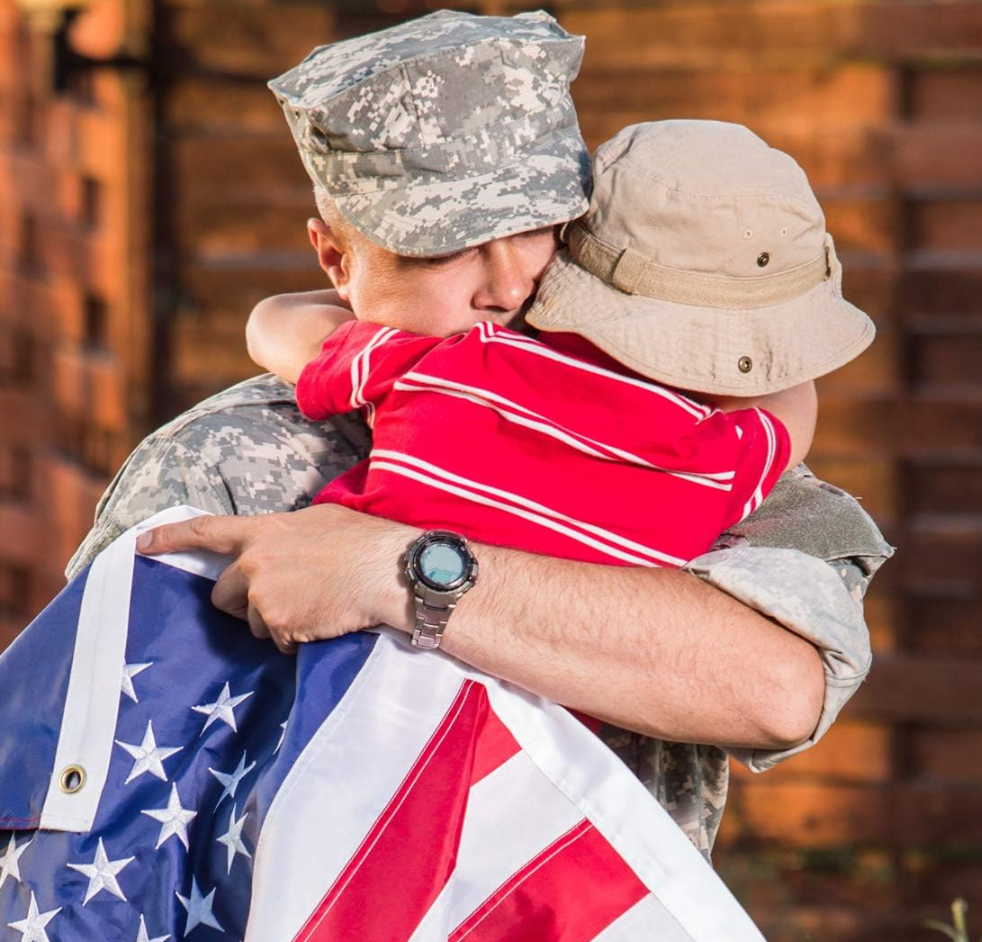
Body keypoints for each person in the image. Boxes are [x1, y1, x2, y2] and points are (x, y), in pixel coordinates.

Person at [68, 9, 893, 855]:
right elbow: (89, 777)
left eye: (537, 232)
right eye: (441, 252)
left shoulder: (683, 431)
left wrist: (398, 570)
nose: (505, 288)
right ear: (336, 260)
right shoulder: (229, 460)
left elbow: (774, 690)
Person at [245, 120, 869, 597]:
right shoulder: (715, 460)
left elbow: (274, 325)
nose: (509, 285)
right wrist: (764, 327)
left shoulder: (448, 368)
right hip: (546, 752)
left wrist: (361, 292)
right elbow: (788, 402)